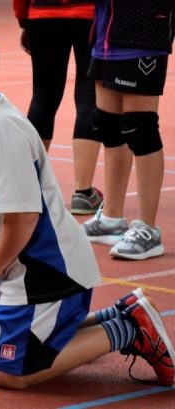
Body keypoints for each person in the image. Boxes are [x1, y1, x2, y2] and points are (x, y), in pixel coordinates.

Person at [0, 23, 174, 388]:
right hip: (20, 268)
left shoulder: (2, 129)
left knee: (6, 372)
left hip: (48, 270)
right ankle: (120, 314)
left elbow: (23, 217)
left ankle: (127, 329)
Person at [82, 1, 174, 260]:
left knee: (140, 129)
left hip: (143, 29)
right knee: (107, 125)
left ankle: (148, 230)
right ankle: (111, 218)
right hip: (106, 33)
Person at [12, 0, 103, 215]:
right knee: (89, 96)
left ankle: (28, 186)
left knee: (43, 96)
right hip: (90, 15)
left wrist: (24, 19)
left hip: (43, 14)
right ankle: (83, 192)